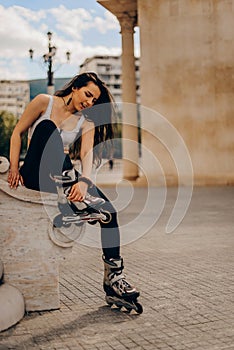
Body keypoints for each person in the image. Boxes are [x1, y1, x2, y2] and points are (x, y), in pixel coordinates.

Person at [8, 72, 140, 308]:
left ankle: (114, 279)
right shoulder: (43, 102)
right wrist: (14, 168)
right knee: (47, 128)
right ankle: (72, 198)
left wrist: (85, 182)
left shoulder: (85, 121)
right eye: (88, 95)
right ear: (76, 87)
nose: (89, 103)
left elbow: (87, 154)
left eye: (93, 101)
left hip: (63, 179)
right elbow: (17, 132)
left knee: (109, 213)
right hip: (35, 173)